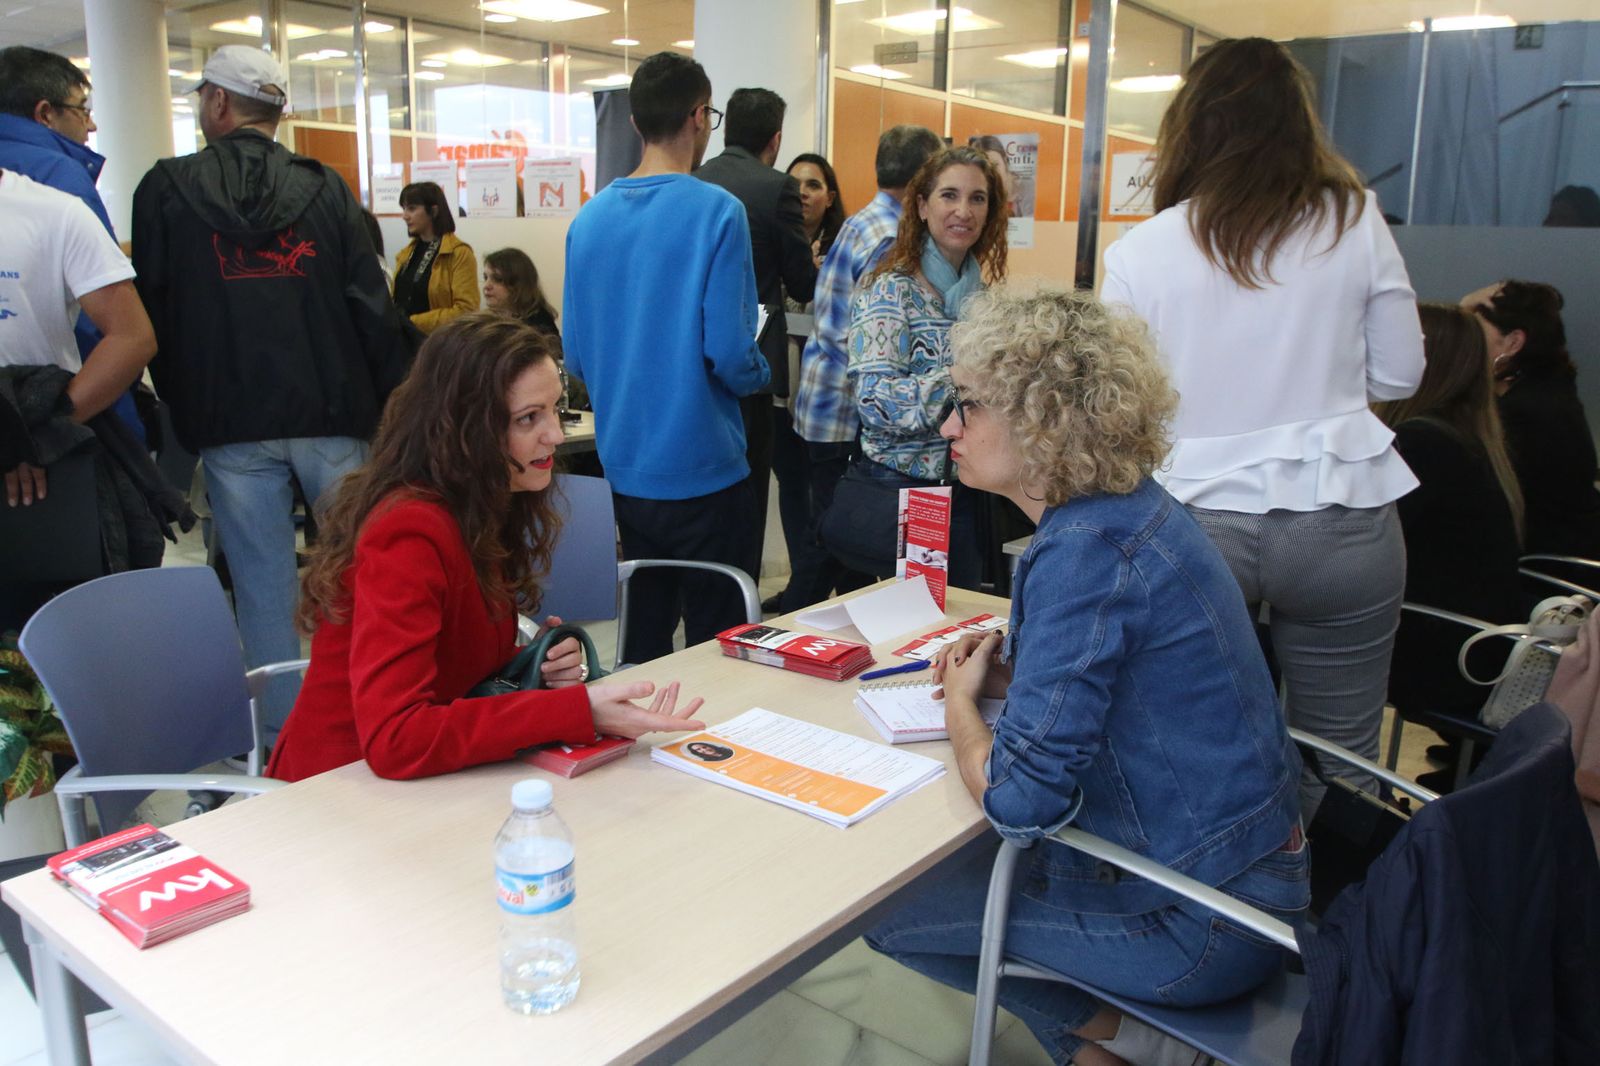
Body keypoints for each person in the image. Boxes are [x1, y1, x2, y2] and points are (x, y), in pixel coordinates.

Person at [866, 287, 1306, 1066]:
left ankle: (1131, 1044)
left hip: (1202, 923)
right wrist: (1017, 677)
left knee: (884, 911)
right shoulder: (1129, 512)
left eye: (966, 406)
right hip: (1250, 875)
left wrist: (968, 705)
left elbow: (1018, 800)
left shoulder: (1083, 550)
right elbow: (1126, 688)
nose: (946, 428)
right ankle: (1113, 1044)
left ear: (1041, 421)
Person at [1100, 37, 1425, 806]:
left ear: (1187, 129)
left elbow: (1114, 402)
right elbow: (1403, 372)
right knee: (1343, 759)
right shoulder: (1353, 219)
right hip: (1340, 510)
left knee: (1193, 738)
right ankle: (1338, 919)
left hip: (1193, 520)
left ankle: (1223, 913)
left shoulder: (1143, 248)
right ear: (1297, 124)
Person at [268, 314, 705, 782]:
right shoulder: (408, 531)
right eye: (528, 419)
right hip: (332, 792)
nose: (556, 435)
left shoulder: (480, 503)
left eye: (555, 409)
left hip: (414, 786)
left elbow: (448, 665)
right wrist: (573, 710)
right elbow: (396, 738)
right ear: (465, 430)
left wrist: (534, 665)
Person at [131, 45, 415, 746]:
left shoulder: (165, 191)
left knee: (263, 588)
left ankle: (290, 743)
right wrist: (389, 410)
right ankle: (374, 716)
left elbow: (153, 315)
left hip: (230, 426)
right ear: (278, 111)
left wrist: (187, 411)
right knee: (362, 572)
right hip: (334, 414)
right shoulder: (326, 189)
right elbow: (370, 308)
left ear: (219, 103)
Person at [561, 52, 770, 664]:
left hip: (624, 466)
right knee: (720, 644)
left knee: (643, 635)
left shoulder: (589, 221)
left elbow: (574, 355)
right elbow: (731, 353)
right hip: (705, 465)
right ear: (700, 116)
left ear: (634, 123)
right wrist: (759, 374)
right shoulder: (716, 212)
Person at [788, 124, 941, 611]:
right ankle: (791, 626)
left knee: (839, 535)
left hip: (824, 401)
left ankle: (830, 621)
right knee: (839, 536)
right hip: (846, 412)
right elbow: (870, 343)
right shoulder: (893, 238)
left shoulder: (864, 221)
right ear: (921, 177)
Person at [1, 170, 160, 627]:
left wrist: (41, 433)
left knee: (38, 638)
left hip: (33, 477)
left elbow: (132, 337)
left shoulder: (55, 212)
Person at [843, 145, 1008, 587]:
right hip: (905, 491)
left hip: (969, 488)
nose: (963, 211)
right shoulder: (889, 292)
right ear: (921, 206)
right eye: (949, 195)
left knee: (962, 622)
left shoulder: (985, 300)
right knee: (918, 633)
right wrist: (958, 379)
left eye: (977, 198)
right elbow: (874, 404)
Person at [1376, 304, 1527, 788]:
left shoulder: (1421, 444)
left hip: (1442, 656)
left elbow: (1357, 546)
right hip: (1472, 649)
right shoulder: (1469, 437)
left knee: (1269, 645)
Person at [694, 87, 819, 582]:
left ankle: (708, 591)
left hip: (700, 363)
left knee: (712, 496)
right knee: (749, 494)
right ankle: (738, 602)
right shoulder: (775, 188)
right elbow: (802, 283)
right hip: (753, 361)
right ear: (776, 138)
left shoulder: (696, 180)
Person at [0, 46, 144, 440]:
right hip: (57, 403)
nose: (91, 125)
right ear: (46, 112)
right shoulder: (59, 175)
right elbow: (107, 326)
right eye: (82, 108)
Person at [1464, 279, 1600, 557]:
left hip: (1539, 571)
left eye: (1473, 330)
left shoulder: (1523, 414)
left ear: (1513, 342)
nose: (1462, 344)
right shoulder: (1550, 390)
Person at [765, 151, 846, 611]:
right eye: (794, 184)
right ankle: (802, 584)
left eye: (813, 185)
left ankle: (828, 591)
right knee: (792, 492)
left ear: (829, 196)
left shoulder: (844, 248)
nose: (802, 193)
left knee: (829, 502)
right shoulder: (776, 246)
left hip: (829, 400)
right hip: (784, 393)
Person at [482, 247, 585, 411]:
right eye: (485, 277)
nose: (487, 286)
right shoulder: (487, 324)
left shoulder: (538, 324)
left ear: (517, 284)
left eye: (497, 279)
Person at [394, 180, 478, 334]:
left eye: (412, 209)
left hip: (439, 345)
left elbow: (466, 311)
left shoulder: (459, 253)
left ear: (433, 211)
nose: (405, 216)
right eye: (404, 208)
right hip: (403, 343)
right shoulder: (406, 254)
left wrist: (411, 322)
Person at [967, 134, 1020, 217]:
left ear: (1005, 161)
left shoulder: (1021, 189)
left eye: (995, 165)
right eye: (983, 166)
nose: (991, 172)